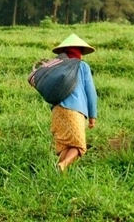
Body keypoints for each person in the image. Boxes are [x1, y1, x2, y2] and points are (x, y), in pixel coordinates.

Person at [49, 33, 98, 173]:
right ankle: (62, 166)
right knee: (79, 146)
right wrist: (93, 116)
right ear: (80, 52)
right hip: (76, 110)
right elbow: (91, 92)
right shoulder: (83, 66)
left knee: (64, 146)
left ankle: (57, 176)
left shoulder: (57, 66)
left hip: (57, 110)